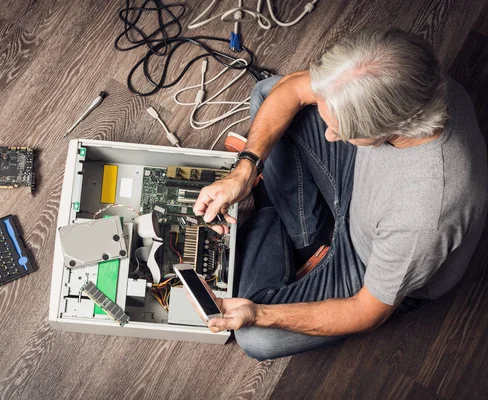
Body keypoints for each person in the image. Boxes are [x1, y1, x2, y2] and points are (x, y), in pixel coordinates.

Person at [193, 27, 488, 360]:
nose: (329, 135)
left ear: (390, 128)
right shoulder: (410, 80)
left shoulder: (423, 218)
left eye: (342, 130)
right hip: (363, 186)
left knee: (255, 337)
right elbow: (292, 90)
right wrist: (245, 169)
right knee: (268, 92)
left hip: (368, 259)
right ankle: (307, 238)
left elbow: (367, 311)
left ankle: (276, 223)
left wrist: (260, 314)